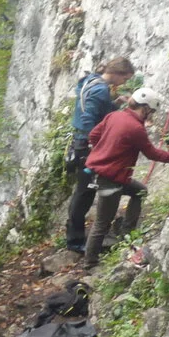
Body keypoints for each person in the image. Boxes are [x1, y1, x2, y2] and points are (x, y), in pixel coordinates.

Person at [82, 88, 169, 269]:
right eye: (151, 112)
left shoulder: (114, 116)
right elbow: (151, 153)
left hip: (109, 174)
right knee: (102, 223)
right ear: (145, 108)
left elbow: (93, 135)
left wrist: (104, 151)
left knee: (140, 191)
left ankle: (126, 233)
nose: (150, 115)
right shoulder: (135, 128)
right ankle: (90, 263)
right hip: (111, 178)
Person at [63, 57, 135, 253]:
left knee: (82, 192)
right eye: (125, 79)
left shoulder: (92, 80)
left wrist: (114, 104)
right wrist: (99, 144)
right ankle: (75, 241)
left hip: (80, 144)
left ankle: (74, 236)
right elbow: (89, 119)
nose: (124, 83)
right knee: (85, 193)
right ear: (117, 73)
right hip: (87, 146)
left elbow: (93, 111)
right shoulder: (100, 90)